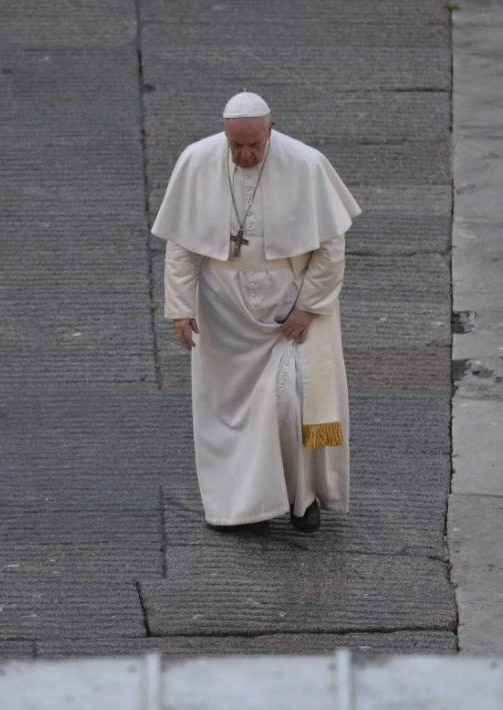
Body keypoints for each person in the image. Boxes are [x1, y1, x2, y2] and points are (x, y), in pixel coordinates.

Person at [153, 91, 361, 532]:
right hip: (225, 313)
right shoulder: (196, 161)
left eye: (254, 146)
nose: (244, 155)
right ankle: (243, 508)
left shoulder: (305, 165)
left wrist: (307, 307)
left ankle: (303, 500)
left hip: (289, 309)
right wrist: (179, 307)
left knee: (291, 403)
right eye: (236, 146)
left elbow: (330, 245)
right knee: (230, 415)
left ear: (272, 129)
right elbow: (183, 245)